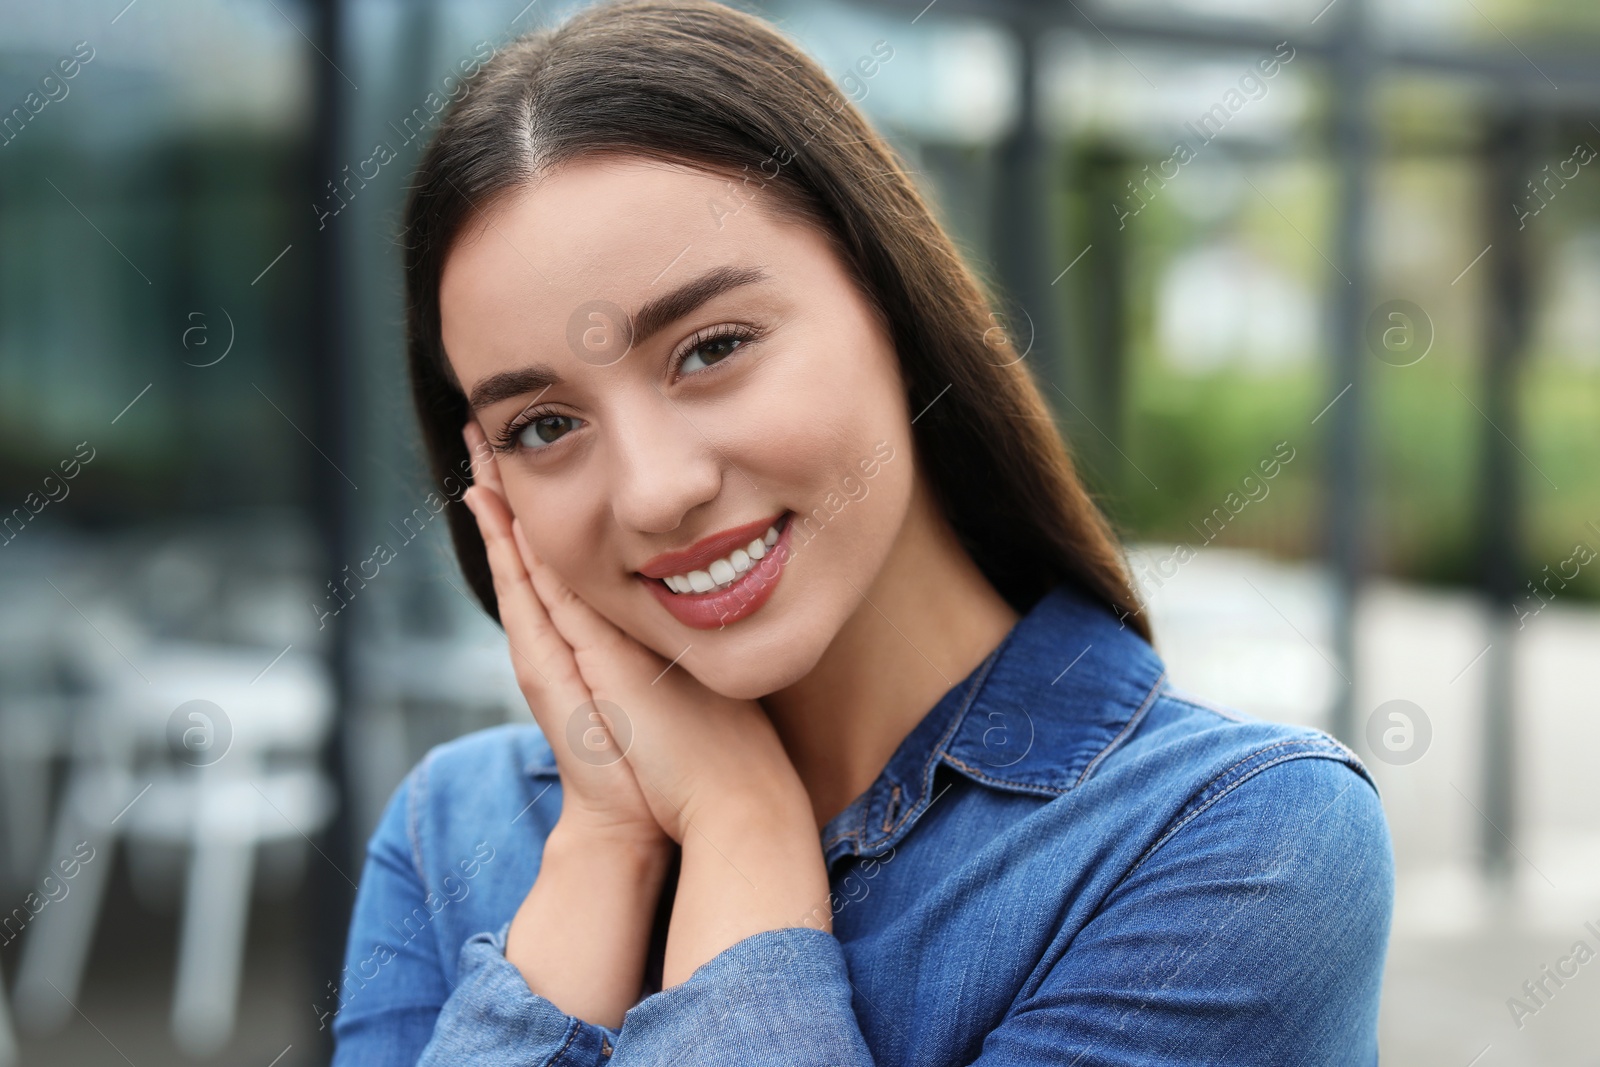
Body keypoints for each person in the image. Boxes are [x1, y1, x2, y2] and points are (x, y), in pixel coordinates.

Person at [330, 1, 1394, 1062]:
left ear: (892, 302)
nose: (655, 491)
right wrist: (607, 846)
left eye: (711, 348)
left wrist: (742, 826)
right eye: (545, 424)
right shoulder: (450, 831)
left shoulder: (1235, 843)